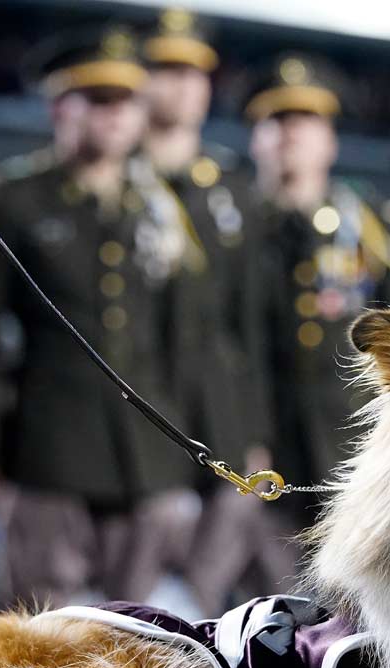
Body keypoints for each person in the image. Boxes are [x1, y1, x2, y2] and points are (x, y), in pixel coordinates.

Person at [0, 26, 196, 608]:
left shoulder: (160, 206)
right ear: (60, 106)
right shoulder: (15, 197)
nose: (114, 116)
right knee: (42, 619)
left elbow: (180, 340)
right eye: (97, 100)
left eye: (126, 101)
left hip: (144, 451)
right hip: (49, 444)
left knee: (135, 626)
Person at [139, 7, 284, 610]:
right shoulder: (116, 181)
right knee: (130, 603)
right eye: (166, 70)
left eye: (195, 73)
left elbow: (247, 324)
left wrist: (252, 432)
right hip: (140, 416)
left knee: (207, 602)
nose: (182, 86)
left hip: (221, 419)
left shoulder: (230, 188)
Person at [244, 53, 390, 525]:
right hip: (258, 434)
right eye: (277, 118)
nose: (292, 131)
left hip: (346, 435)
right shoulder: (232, 224)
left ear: (330, 141)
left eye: (308, 119)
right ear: (256, 139)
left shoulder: (364, 225)